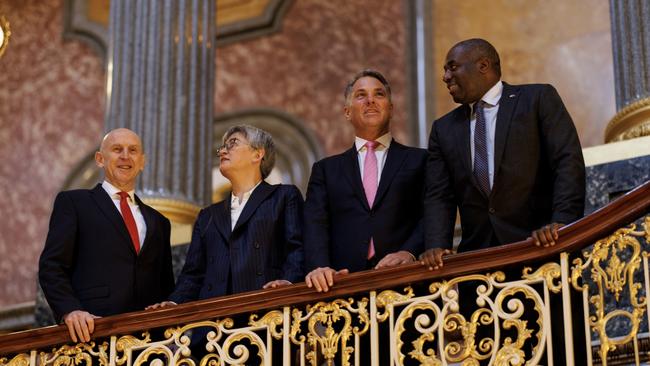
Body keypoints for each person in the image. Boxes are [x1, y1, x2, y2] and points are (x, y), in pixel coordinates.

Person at [421, 38, 586, 269]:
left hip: (542, 249)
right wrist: (436, 245)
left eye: (453, 67)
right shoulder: (443, 128)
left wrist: (563, 223)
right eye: (445, 70)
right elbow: (439, 195)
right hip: (478, 264)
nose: (445, 76)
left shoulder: (537, 99)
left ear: (483, 65)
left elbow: (567, 163)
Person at [39, 128, 174, 343]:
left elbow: (166, 285)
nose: (125, 156)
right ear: (100, 159)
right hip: (92, 331)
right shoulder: (74, 203)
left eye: (133, 150)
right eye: (117, 149)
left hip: (149, 340)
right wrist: (70, 310)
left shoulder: (159, 221)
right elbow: (52, 266)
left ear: (142, 162)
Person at [148, 124, 303, 306]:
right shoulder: (207, 215)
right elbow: (193, 274)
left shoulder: (283, 197)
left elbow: (298, 248)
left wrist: (289, 282)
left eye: (233, 143)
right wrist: (174, 302)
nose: (222, 151)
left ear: (257, 154)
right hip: (213, 323)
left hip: (265, 313)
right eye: (222, 147)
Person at [304, 69, 427, 292]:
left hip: (408, 282)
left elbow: (433, 214)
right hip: (343, 288)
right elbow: (315, 226)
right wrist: (319, 266)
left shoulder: (421, 160)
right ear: (347, 112)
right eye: (361, 95)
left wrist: (409, 252)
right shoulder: (325, 170)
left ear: (391, 108)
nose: (370, 100)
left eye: (379, 94)